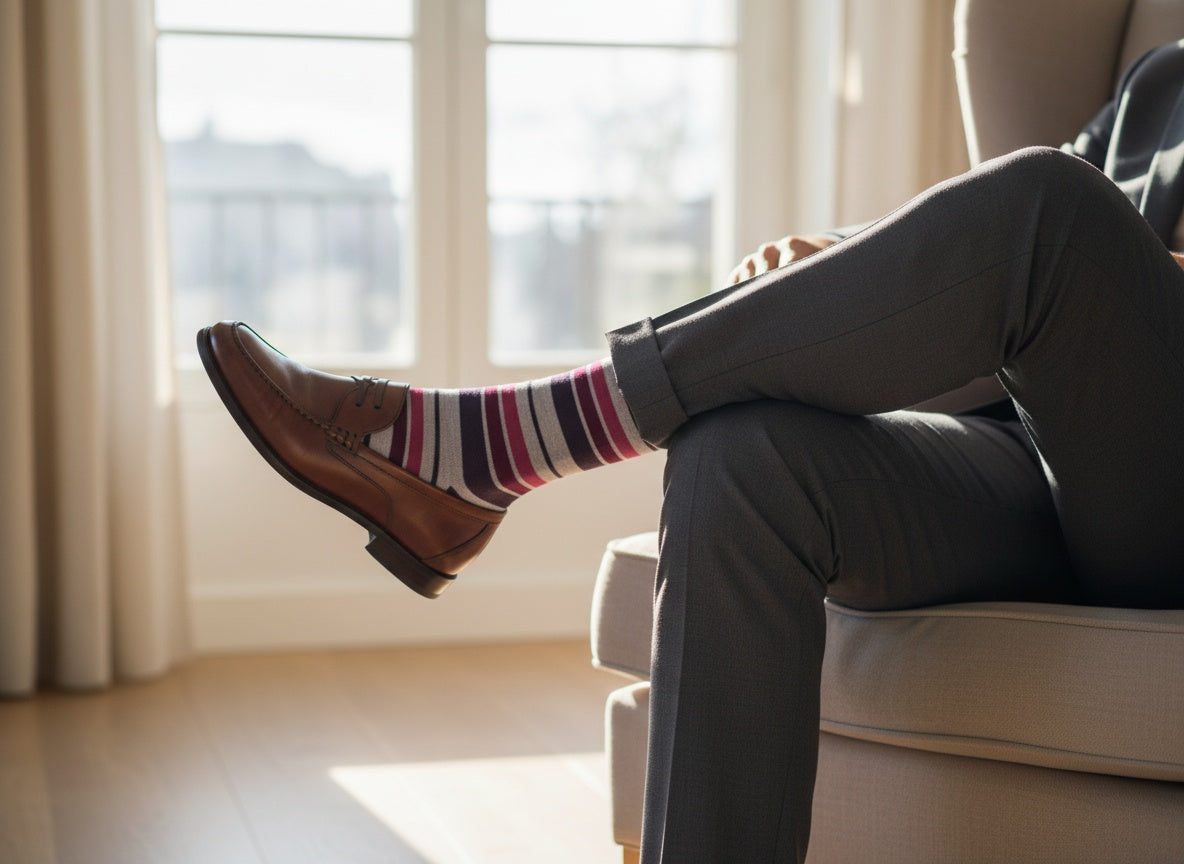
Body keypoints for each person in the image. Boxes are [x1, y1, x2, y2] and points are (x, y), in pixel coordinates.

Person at [197, 40, 1184, 864]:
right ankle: (482, 463)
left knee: (1055, 208)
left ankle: (492, 448)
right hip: (1030, 463)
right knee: (738, 454)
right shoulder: (1157, 82)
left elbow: (1063, 242)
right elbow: (1014, 275)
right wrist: (844, 261)